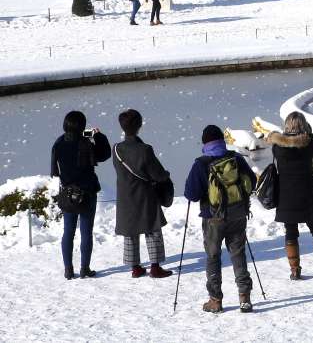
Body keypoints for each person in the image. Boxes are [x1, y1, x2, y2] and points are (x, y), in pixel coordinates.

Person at [183, 125, 256, 313]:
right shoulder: (236, 158)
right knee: (238, 254)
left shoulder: (201, 164)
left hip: (213, 218)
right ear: (222, 140)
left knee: (213, 257)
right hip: (238, 214)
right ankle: (245, 298)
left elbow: (191, 194)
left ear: (205, 143)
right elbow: (252, 181)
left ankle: (215, 300)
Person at [269, 111, 313, 279]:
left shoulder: (277, 145)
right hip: (308, 193)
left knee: (290, 232)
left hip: (286, 195)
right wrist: (310, 133)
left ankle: (295, 270)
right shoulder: (308, 142)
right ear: (303, 125)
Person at [112, 109, 173, 278]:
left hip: (125, 197)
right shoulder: (145, 149)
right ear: (139, 125)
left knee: (130, 231)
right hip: (145, 195)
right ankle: (155, 267)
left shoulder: (116, 149)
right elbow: (158, 174)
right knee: (152, 229)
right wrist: (166, 175)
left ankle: (136, 268)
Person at [51, 110, 111, 279]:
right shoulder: (86, 144)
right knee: (86, 232)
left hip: (67, 193)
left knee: (68, 232)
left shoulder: (58, 143)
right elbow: (104, 154)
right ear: (82, 126)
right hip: (87, 193)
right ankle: (85, 268)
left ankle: (68, 270)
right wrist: (98, 136)